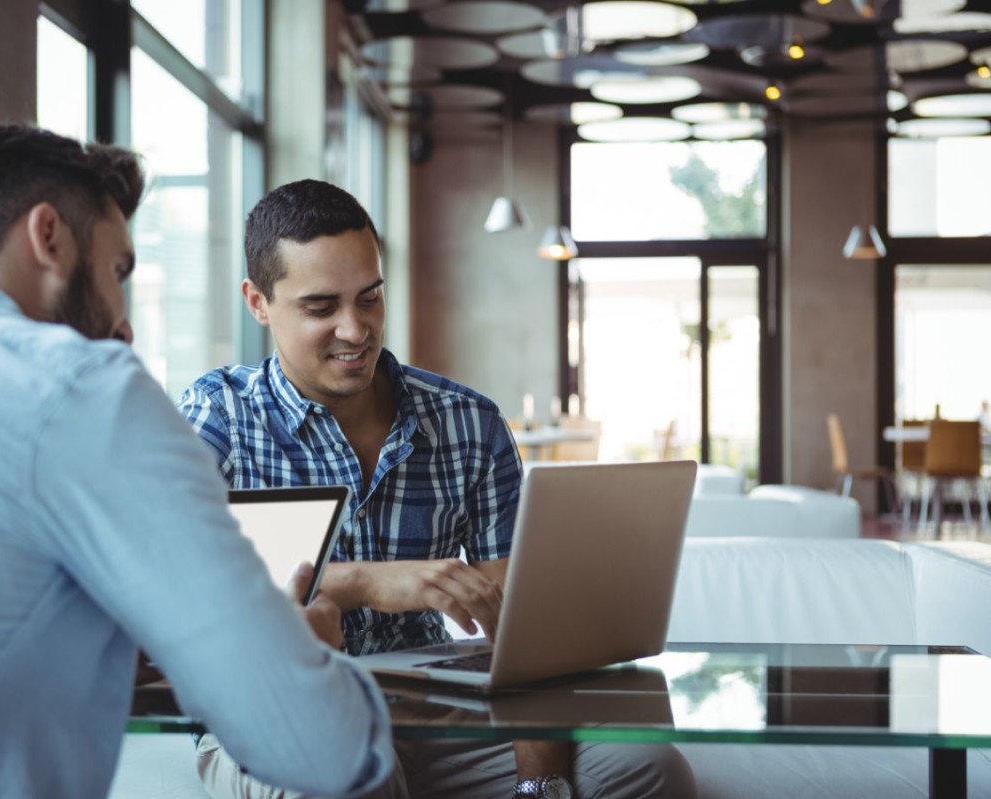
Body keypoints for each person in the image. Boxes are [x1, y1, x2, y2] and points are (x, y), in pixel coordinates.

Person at [0, 123, 393, 799]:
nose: (125, 323)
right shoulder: (79, 386)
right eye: (118, 272)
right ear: (48, 236)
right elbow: (322, 748)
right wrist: (304, 645)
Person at [179, 179, 697, 798]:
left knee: (649, 769)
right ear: (258, 303)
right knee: (342, 783)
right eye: (321, 308)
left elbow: (526, 641)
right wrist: (366, 581)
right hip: (279, 705)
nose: (355, 329)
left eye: (369, 298)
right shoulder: (219, 417)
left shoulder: (467, 423)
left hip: (431, 713)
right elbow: (180, 595)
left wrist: (542, 784)